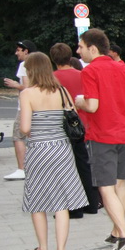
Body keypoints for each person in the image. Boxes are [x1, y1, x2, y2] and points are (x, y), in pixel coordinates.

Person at [75, 28, 125, 250]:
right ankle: (117, 231)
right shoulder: (124, 68)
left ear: (92, 48)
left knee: (105, 187)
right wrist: (119, 102)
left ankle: (124, 235)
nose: (78, 51)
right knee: (120, 184)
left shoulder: (90, 71)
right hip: (124, 133)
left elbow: (92, 105)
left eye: (81, 47)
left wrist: (79, 101)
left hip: (101, 135)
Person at [19, 52, 87, 250]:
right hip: (61, 149)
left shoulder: (27, 94)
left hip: (38, 150)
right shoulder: (62, 91)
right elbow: (73, 117)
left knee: (37, 200)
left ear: (32, 71)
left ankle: (42, 249)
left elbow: (25, 128)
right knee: (62, 201)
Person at [50, 42, 101, 218]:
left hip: (61, 127)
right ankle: (92, 203)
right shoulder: (83, 74)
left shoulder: (51, 79)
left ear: (53, 59)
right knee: (84, 164)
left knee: (66, 167)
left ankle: (73, 207)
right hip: (83, 124)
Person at [3, 40, 36, 180]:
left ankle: (22, 169)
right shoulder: (40, 64)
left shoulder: (24, 65)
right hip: (39, 106)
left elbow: (27, 88)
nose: (16, 53)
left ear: (26, 51)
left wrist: (16, 85)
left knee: (18, 136)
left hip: (24, 107)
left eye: (18, 50)